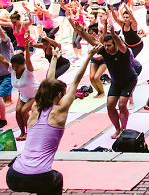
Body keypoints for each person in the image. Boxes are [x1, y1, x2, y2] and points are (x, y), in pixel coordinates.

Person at [5, 45, 100, 195]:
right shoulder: (59, 112)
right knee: (56, 179)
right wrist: (89, 56)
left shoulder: (35, 108)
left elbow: (48, 82)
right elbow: (75, 81)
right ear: (59, 95)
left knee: (38, 178)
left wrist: (54, 59)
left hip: (12, 177)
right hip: (39, 176)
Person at [72, 20, 138, 139]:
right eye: (105, 45)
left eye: (109, 45)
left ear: (115, 44)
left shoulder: (124, 52)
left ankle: (123, 129)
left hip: (129, 81)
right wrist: (81, 33)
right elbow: (92, 41)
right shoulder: (104, 51)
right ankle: (117, 129)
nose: (106, 48)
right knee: (110, 106)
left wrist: (113, 34)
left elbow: (121, 45)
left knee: (122, 105)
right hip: (116, 82)